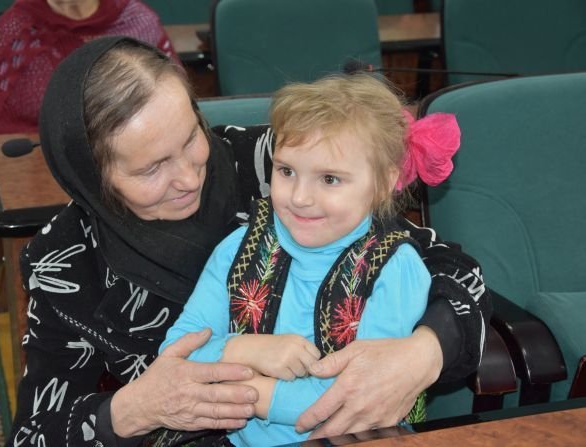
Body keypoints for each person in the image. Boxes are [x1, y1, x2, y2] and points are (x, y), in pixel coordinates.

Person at [10, 35, 490, 446]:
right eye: (152, 168)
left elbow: (448, 267)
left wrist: (423, 353)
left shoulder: (276, 165)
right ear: (93, 180)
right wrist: (131, 410)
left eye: (190, 138)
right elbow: (34, 434)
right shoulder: (65, 262)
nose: (189, 178)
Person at [158, 74, 460, 446]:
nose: (300, 197)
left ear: (383, 183)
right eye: (286, 171)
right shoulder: (239, 247)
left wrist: (240, 389)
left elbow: (355, 394)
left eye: (329, 179)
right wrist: (244, 349)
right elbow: (176, 353)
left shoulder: (394, 268)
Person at [0, 0, 180, 135]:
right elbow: (4, 129)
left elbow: (174, 102)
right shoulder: (19, 27)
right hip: (49, 162)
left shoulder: (138, 20)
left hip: (140, 150)